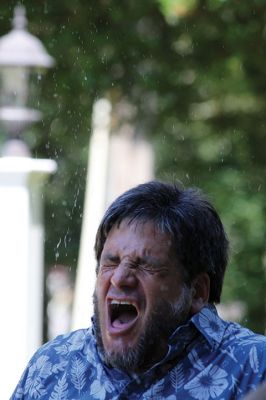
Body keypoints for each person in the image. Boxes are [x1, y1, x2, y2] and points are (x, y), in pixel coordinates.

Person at [12, 181, 266, 399]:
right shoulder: (52, 365)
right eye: (110, 262)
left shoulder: (254, 370)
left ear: (197, 292)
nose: (119, 278)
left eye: (145, 265)